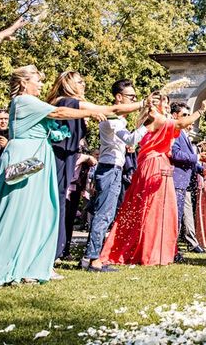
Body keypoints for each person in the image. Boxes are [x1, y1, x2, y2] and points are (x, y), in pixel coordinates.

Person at [0, 65, 104, 286]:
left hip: (37, 159)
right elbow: (58, 113)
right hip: (25, 158)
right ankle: (5, 263)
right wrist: (92, 111)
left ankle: (25, 266)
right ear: (24, 83)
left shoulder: (33, 103)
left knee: (33, 214)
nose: (42, 84)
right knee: (15, 212)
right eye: (37, 80)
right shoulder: (24, 101)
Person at [99, 96, 206, 266]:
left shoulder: (156, 118)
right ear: (155, 104)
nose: (167, 106)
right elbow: (180, 124)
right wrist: (201, 110)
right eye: (165, 103)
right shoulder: (156, 117)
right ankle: (149, 251)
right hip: (154, 165)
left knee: (154, 209)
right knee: (152, 209)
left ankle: (152, 248)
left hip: (157, 163)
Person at [46, 71, 146, 260]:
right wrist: (145, 113)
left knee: (69, 205)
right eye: (80, 81)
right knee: (101, 213)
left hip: (72, 157)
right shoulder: (68, 103)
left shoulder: (77, 107)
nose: (84, 84)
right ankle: (90, 257)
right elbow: (126, 132)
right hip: (98, 165)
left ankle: (61, 251)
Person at [81, 79, 153, 272]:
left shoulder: (119, 120)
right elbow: (131, 138)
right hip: (108, 169)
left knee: (107, 213)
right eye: (131, 97)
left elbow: (126, 142)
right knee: (103, 214)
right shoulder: (112, 119)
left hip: (114, 167)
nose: (133, 100)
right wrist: (148, 125)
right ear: (118, 98)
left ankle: (91, 256)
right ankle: (92, 259)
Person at [169, 102, 206, 257]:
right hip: (177, 179)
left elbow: (190, 160)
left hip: (185, 180)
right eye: (185, 115)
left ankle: (174, 248)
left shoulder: (184, 135)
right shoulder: (174, 133)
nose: (188, 118)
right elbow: (176, 155)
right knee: (175, 217)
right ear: (174, 116)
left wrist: (204, 168)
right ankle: (172, 250)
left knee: (180, 216)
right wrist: (197, 156)